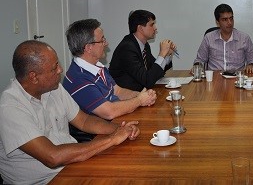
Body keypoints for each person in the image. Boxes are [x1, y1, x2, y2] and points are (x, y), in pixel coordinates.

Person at [0, 40, 140, 184]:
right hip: (44, 180)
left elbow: (84, 120)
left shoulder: (54, 88)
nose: (60, 70)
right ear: (33, 77)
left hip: (70, 166)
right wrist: (111, 139)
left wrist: (120, 129)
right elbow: (52, 157)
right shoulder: (11, 107)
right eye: (54, 68)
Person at [63, 19, 157, 120]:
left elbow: (118, 91)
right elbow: (109, 112)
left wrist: (142, 95)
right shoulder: (78, 79)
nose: (106, 43)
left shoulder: (97, 65)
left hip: (117, 120)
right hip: (99, 133)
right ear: (89, 48)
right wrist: (139, 100)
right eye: (102, 40)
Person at [109, 10, 176, 91]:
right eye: (152, 24)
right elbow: (148, 80)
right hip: (124, 98)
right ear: (140, 28)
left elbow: (154, 72)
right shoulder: (127, 48)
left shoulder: (144, 45)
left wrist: (167, 55)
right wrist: (162, 54)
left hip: (140, 93)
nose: (155, 28)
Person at [193, 3, 253, 74]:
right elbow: (199, 60)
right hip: (215, 79)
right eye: (225, 19)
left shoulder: (244, 38)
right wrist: (197, 66)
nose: (229, 23)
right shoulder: (209, 38)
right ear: (217, 22)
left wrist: (251, 65)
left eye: (231, 18)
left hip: (237, 79)